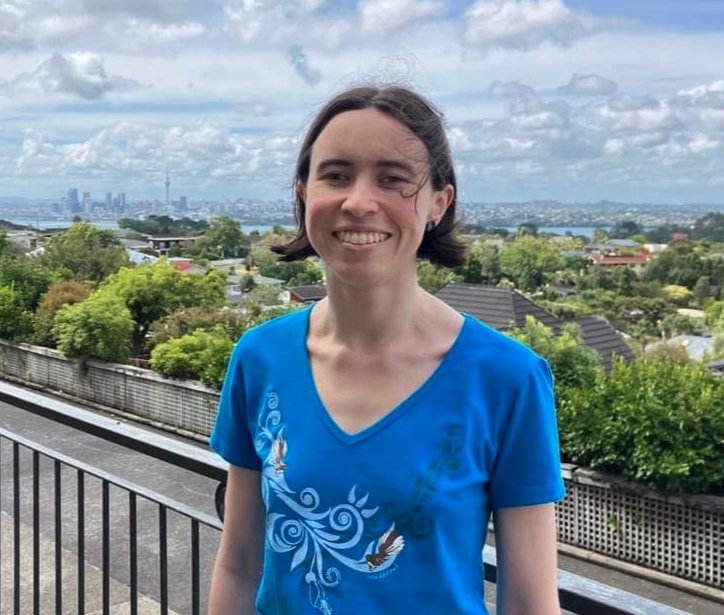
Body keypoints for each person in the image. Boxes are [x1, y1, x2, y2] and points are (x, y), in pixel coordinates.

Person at [208, 85, 565, 615]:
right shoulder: (260, 357)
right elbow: (239, 564)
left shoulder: (507, 379)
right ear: (303, 191)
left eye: (393, 179)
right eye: (335, 174)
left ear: (438, 203)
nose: (358, 202)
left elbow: (531, 604)